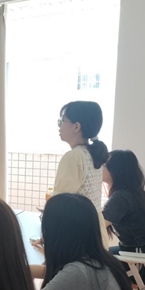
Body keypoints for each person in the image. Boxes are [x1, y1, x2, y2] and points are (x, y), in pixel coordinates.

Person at [102, 150, 145, 285]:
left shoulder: (121, 197)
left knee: (92, 263)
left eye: (105, 165)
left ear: (116, 171)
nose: (101, 168)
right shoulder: (132, 192)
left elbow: (98, 225)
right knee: (98, 257)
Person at [53, 101, 110, 248]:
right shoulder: (93, 155)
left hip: (77, 235)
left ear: (76, 127)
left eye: (62, 121)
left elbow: (59, 205)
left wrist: (48, 235)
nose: (59, 126)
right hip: (96, 231)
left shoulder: (73, 157)